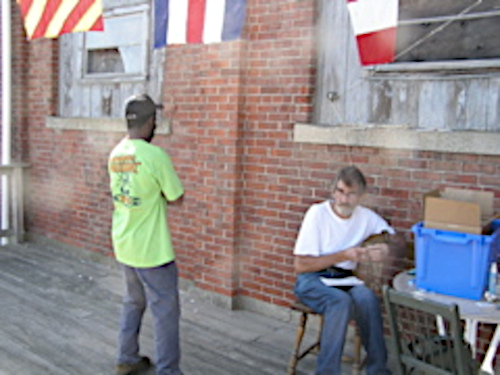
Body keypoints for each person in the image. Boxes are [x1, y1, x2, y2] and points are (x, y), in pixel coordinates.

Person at [108, 94, 184, 375]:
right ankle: (168, 371)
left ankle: (125, 359)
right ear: (151, 121)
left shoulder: (116, 152)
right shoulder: (154, 155)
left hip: (125, 244)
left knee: (133, 302)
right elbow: (176, 197)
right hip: (152, 251)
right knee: (165, 312)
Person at [293, 166, 394, 375]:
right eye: (339, 192)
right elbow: (301, 265)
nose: (344, 199)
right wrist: (343, 255)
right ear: (332, 191)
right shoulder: (317, 214)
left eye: (350, 194)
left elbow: (394, 238)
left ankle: (378, 370)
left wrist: (386, 248)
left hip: (345, 279)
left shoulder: (365, 216)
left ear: (361, 196)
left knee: (368, 298)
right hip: (313, 279)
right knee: (339, 302)